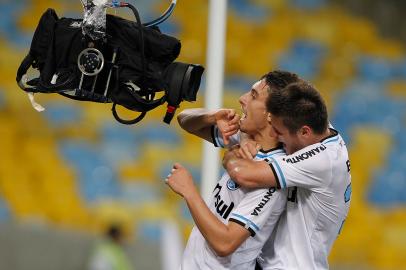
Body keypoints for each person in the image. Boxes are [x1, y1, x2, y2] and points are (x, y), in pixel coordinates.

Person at [165, 71, 302, 269]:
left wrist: (189, 192)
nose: (242, 99)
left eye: (254, 96)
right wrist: (212, 116)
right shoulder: (245, 138)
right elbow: (184, 119)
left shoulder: (271, 177)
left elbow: (225, 243)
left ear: (271, 116)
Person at [223, 81, 352, 269]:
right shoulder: (312, 121)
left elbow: (242, 174)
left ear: (304, 132)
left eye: (279, 132)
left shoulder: (322, 160)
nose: (275, 136)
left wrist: (230, 155)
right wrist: (246, 135)